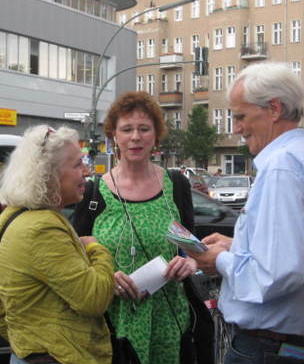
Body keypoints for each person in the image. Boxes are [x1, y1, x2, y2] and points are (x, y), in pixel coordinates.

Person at [188, 62, 304, 364]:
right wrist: (237, 246)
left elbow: (277, 273)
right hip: (296, 345)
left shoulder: (282, 168)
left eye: (241, 116)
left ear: (273, 108)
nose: (236, 128)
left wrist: (218, 259)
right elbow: (300, 251)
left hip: (267, 348)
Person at [73, 91, 212, 364]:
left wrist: (189, 264)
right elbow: (73, 256)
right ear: (114, 135)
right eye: (127, 129)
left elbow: (191, 248)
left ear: (155, 135)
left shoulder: (176, 186)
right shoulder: (93, 193)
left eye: (143, 129)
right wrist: (105, 278)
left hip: (169, 321)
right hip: (113, 323)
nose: (135, 137)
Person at [0, 125, 115, 364]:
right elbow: (94, 299)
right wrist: (96, 249)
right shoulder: (43, 229)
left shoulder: (7, 219)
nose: (86, 171)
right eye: (77, 165)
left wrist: (28, 340)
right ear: (49, 175)